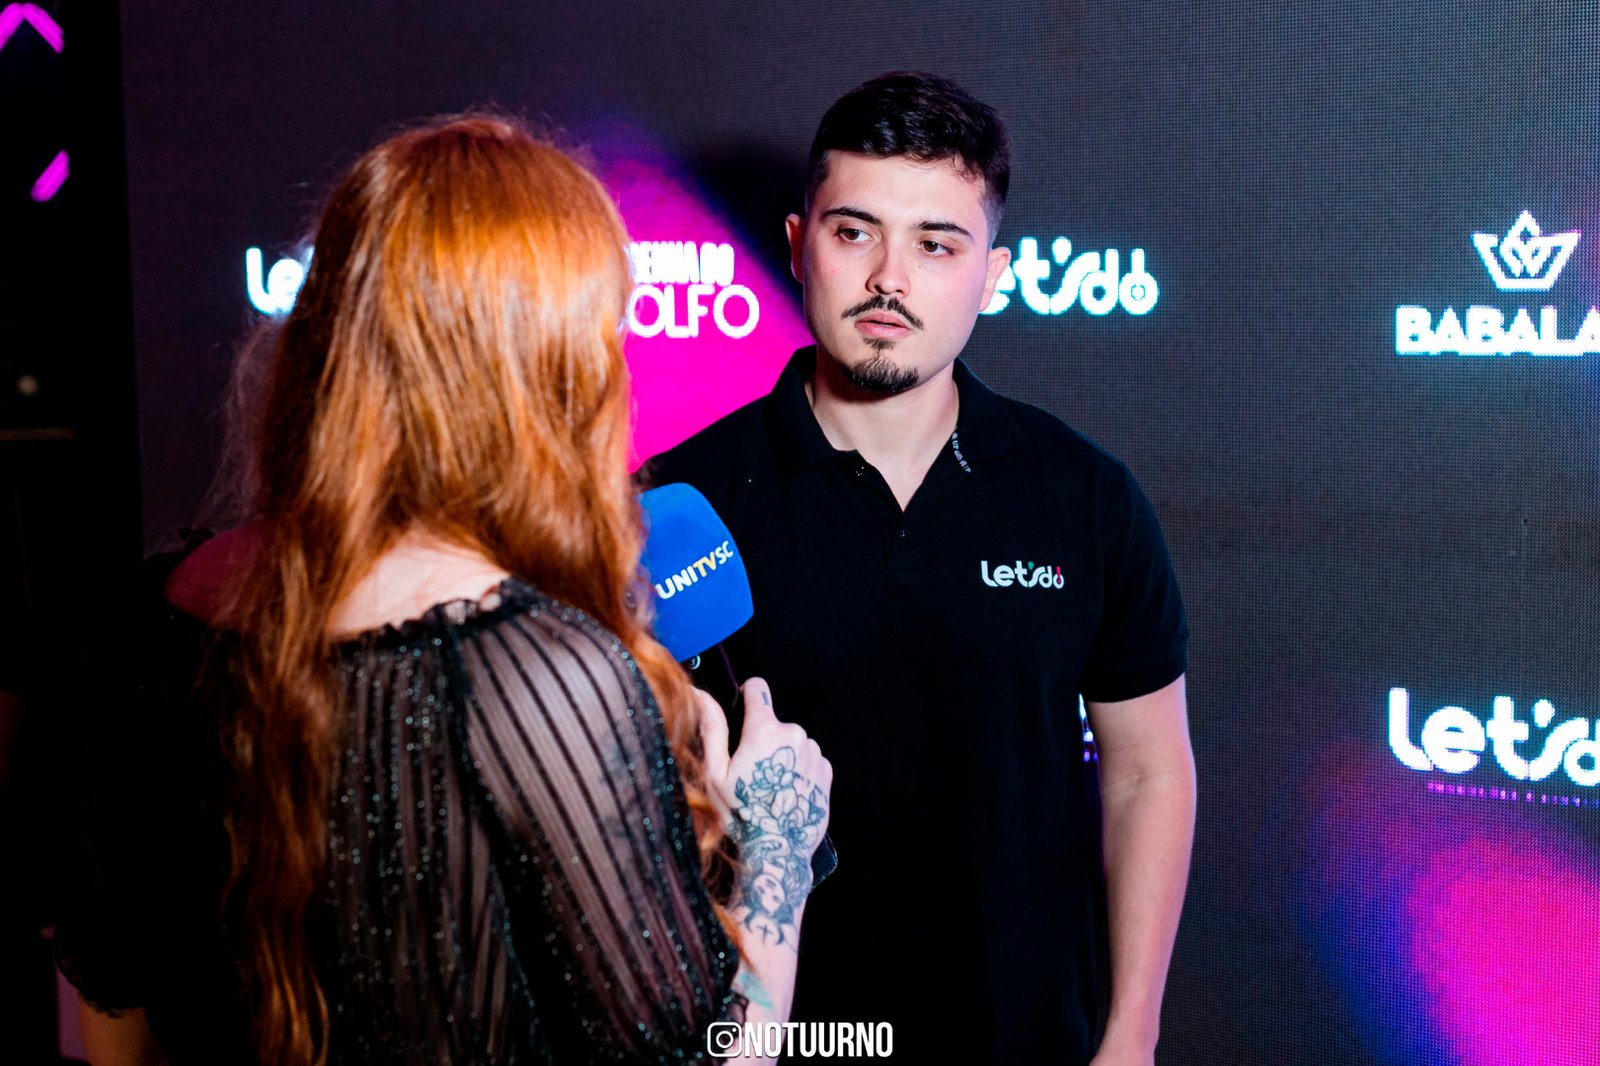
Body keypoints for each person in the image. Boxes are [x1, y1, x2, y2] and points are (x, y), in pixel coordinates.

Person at [53, 115, 831, 1065]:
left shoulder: (148, 611)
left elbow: (111, 1006)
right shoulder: (543, 675)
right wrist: (778, 850)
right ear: (550, 374)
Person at [644, 73, 1195, 1063]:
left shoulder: (1086, 497)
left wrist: (1131, 1034)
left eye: (936, 244)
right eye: (854, 232)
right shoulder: (673, 505)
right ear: (796, 245)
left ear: (991, 274)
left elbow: (1148, 770)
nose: (888, 278)